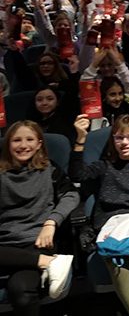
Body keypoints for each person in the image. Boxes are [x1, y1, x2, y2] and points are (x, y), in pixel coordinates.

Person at [69, 113, 129, 316]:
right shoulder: (105, 166)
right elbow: (77, 174)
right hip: (112, 225)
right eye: (119, 137)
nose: (124, 142)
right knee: (119, 261)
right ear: (112, 140)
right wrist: (80, 139)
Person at [0, 121, 78, 315]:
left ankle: (44, 259)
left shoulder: (50, 170)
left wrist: (51, 222)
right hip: (5, 243)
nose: (23, 145)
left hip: (37, 242)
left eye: (29, 139)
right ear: (8, 144)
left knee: (21, 291)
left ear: (38, 144)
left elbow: (71, 195)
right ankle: (48, 263)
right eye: (16, 140)